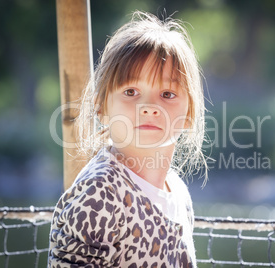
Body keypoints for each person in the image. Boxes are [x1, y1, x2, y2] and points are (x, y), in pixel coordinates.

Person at [48, 10, 207, 268]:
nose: (148, 106)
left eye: (167, 94)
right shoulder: (100, 192)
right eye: (131, 91)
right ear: (101, 107)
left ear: (189, 114)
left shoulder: (178, 192)